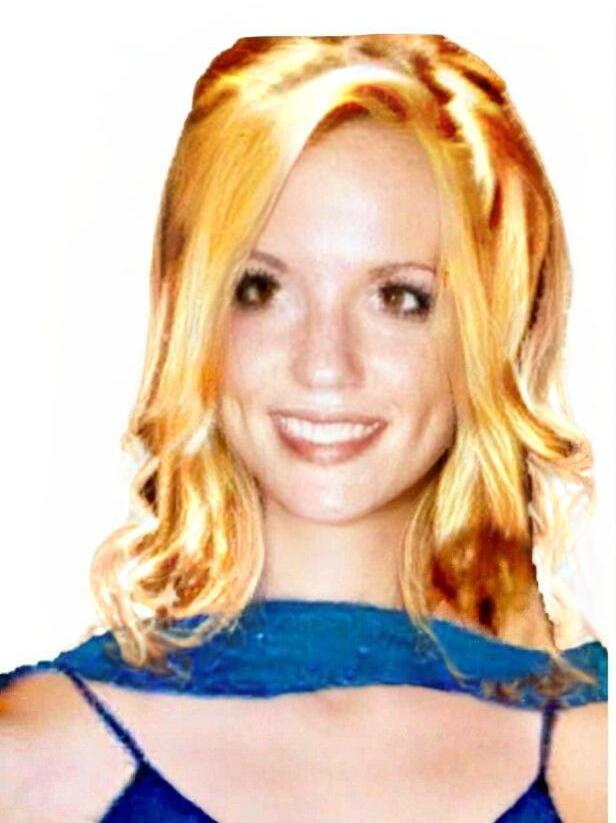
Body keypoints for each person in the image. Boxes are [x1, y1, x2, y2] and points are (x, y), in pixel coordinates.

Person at [0, 33, 608, 823]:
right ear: (193, 313)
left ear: (492, 331)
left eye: (399, 298)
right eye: (261, 288)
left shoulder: (591, 758)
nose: (325, 365)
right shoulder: (29, 760)